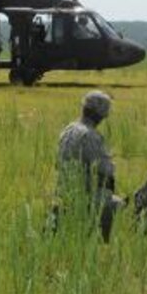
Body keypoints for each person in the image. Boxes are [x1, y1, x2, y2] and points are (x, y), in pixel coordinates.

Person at [52, 90, 124, 242]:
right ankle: (100, 242)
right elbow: (107, 170)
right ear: (101, 115)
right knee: (118, 204)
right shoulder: (90, 136)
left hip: (63, 189)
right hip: (83, 193)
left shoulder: (68, 129)